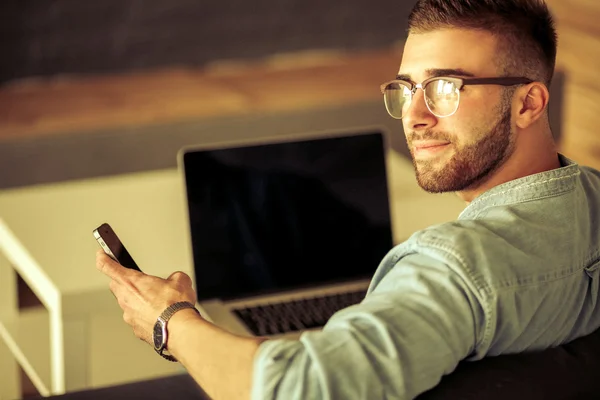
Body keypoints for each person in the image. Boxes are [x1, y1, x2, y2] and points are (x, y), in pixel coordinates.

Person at [95, 0, 600, 398]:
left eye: (446, 87)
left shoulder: (453, 267)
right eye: (406, 89)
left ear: (529, 103)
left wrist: (170, 321)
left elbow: (296, 389)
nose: (415, 116)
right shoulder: (592, 198)